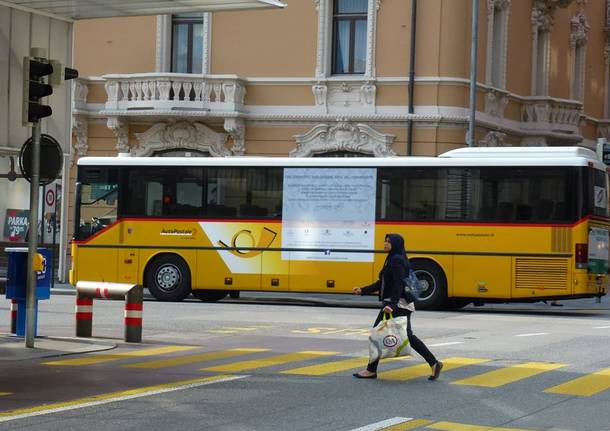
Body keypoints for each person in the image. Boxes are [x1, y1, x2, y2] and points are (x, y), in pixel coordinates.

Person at [352, 233, 443, 380]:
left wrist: (392, 305)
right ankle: (434, 363)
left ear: (396, 244)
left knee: (376, 333)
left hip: (398, 304)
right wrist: (363, 290)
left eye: (389, 242)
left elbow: (399, 284)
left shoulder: (397, 260)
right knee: (408, 336)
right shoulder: (392, 259)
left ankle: (371, 370)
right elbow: (381, 283)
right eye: (385, 241)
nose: (385, 243)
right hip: (399, 303)